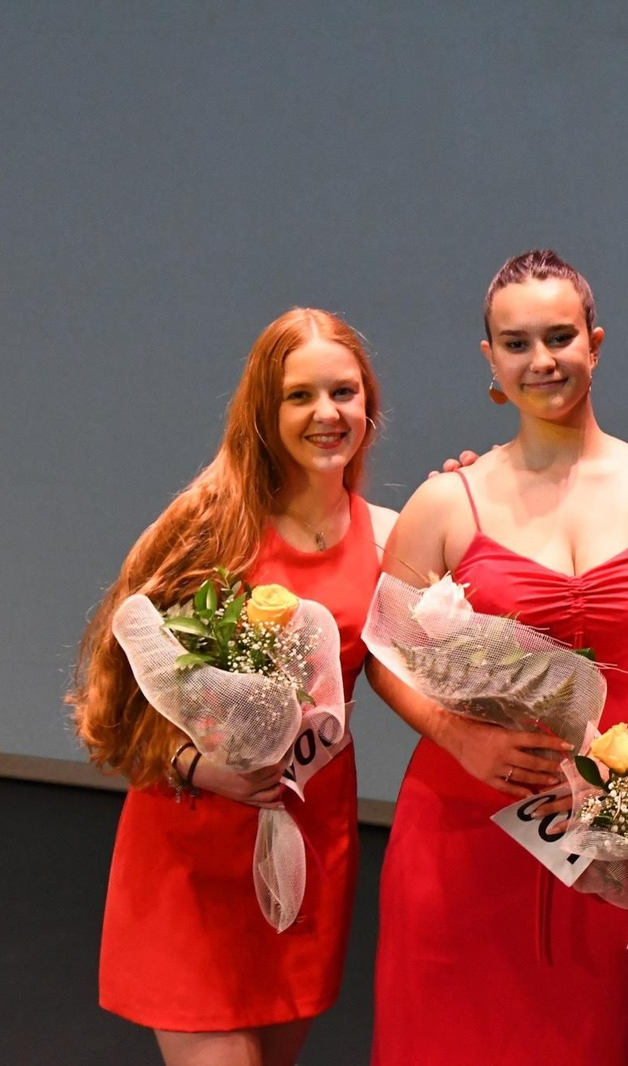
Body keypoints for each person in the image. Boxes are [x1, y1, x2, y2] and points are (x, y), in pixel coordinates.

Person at [368, 249, 628, 1064]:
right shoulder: (446, 501)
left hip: (615, 844)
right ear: (490, 360)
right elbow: (384, 654)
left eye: (559, 337)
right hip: (461, 834)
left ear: (595, 342)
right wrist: (459, 736)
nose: (542, 361)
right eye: (516, 343)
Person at [69, 308, 392, 1066]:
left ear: (368, 404)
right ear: (262, 411)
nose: (326, 413)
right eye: (299, 396)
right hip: (192, 851)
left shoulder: (390, 533)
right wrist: (198, 768)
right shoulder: (208, 524)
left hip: (305, 847)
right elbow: (114, 693)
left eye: (343, 392)